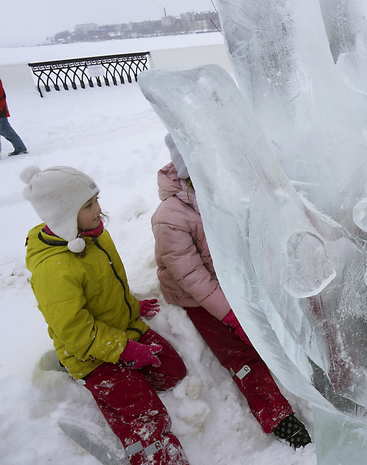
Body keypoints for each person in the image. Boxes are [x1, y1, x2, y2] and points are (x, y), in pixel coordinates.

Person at [151, 134, 312, 448]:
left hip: (234, 279)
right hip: (199, 297)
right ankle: (278, 417)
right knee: (240, 352)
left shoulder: (220, 192)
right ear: (188, 173)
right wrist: (229, 314)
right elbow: (193, 279)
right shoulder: (170, 218)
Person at [21, 165, 189, 465]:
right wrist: (123, 349)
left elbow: (108, 285)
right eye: (88, 205)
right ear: (63, 215)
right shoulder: (53, 271)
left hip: (123, 328)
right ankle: (147, 452)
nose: (98, 209)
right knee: (148, 416)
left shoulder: (93, 235)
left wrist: (132, 306)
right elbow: (75, 331)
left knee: (172, 372)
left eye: (96, 199)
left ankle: (117, 396)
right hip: (91, 354)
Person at [0, 78, 28, 156]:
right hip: (2, 110)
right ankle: (20, 148)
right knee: (7, 131)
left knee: (7, 131)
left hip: (1, 110)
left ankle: (20, 148)